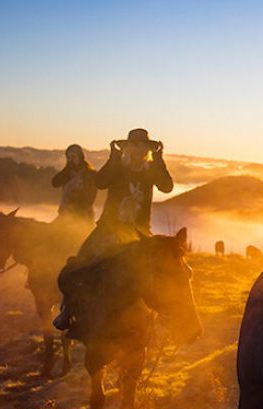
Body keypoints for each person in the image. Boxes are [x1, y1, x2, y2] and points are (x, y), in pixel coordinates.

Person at [53, 128, 173, 331]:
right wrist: (113, 159)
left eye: (143, 145)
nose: (138, 149)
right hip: (109, 229)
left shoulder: (152, 169)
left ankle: (166, 316)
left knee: (164, 271)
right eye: (134, 145)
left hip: (139, 234)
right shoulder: (118, 166)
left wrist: (160, 160)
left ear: (147, 149)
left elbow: (167, 186)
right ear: (127, 147)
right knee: (78, 264)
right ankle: (68, 310)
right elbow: (100, 182)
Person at [51, 144, 97, 223]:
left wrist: (76, 208)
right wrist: (66, 169)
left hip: (83, 215)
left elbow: (90, 197)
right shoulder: (67, 173)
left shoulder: (90, 174)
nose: (71, 159)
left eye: (74, 156)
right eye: (69, 157)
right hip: (65, 212)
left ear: (80, 157)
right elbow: (55, 183)